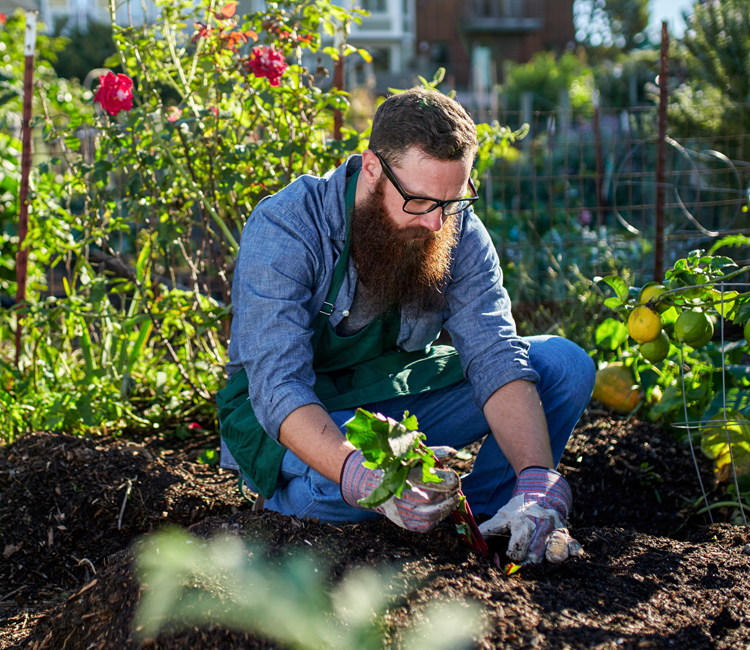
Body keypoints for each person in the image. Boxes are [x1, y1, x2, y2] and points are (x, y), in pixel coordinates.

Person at [217, 87, 596, 565]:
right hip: (291, 414)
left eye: (453, 201)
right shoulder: (288, 227)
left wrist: (537, 476)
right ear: (372, 168)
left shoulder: (453, 227)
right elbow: (278, 387)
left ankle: (487, 522)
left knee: (563, 365)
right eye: (419, 201)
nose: (438, 224)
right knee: (340, 488)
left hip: (389, 396)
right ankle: (286, 508)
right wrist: (359, 473)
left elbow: (494, 352)